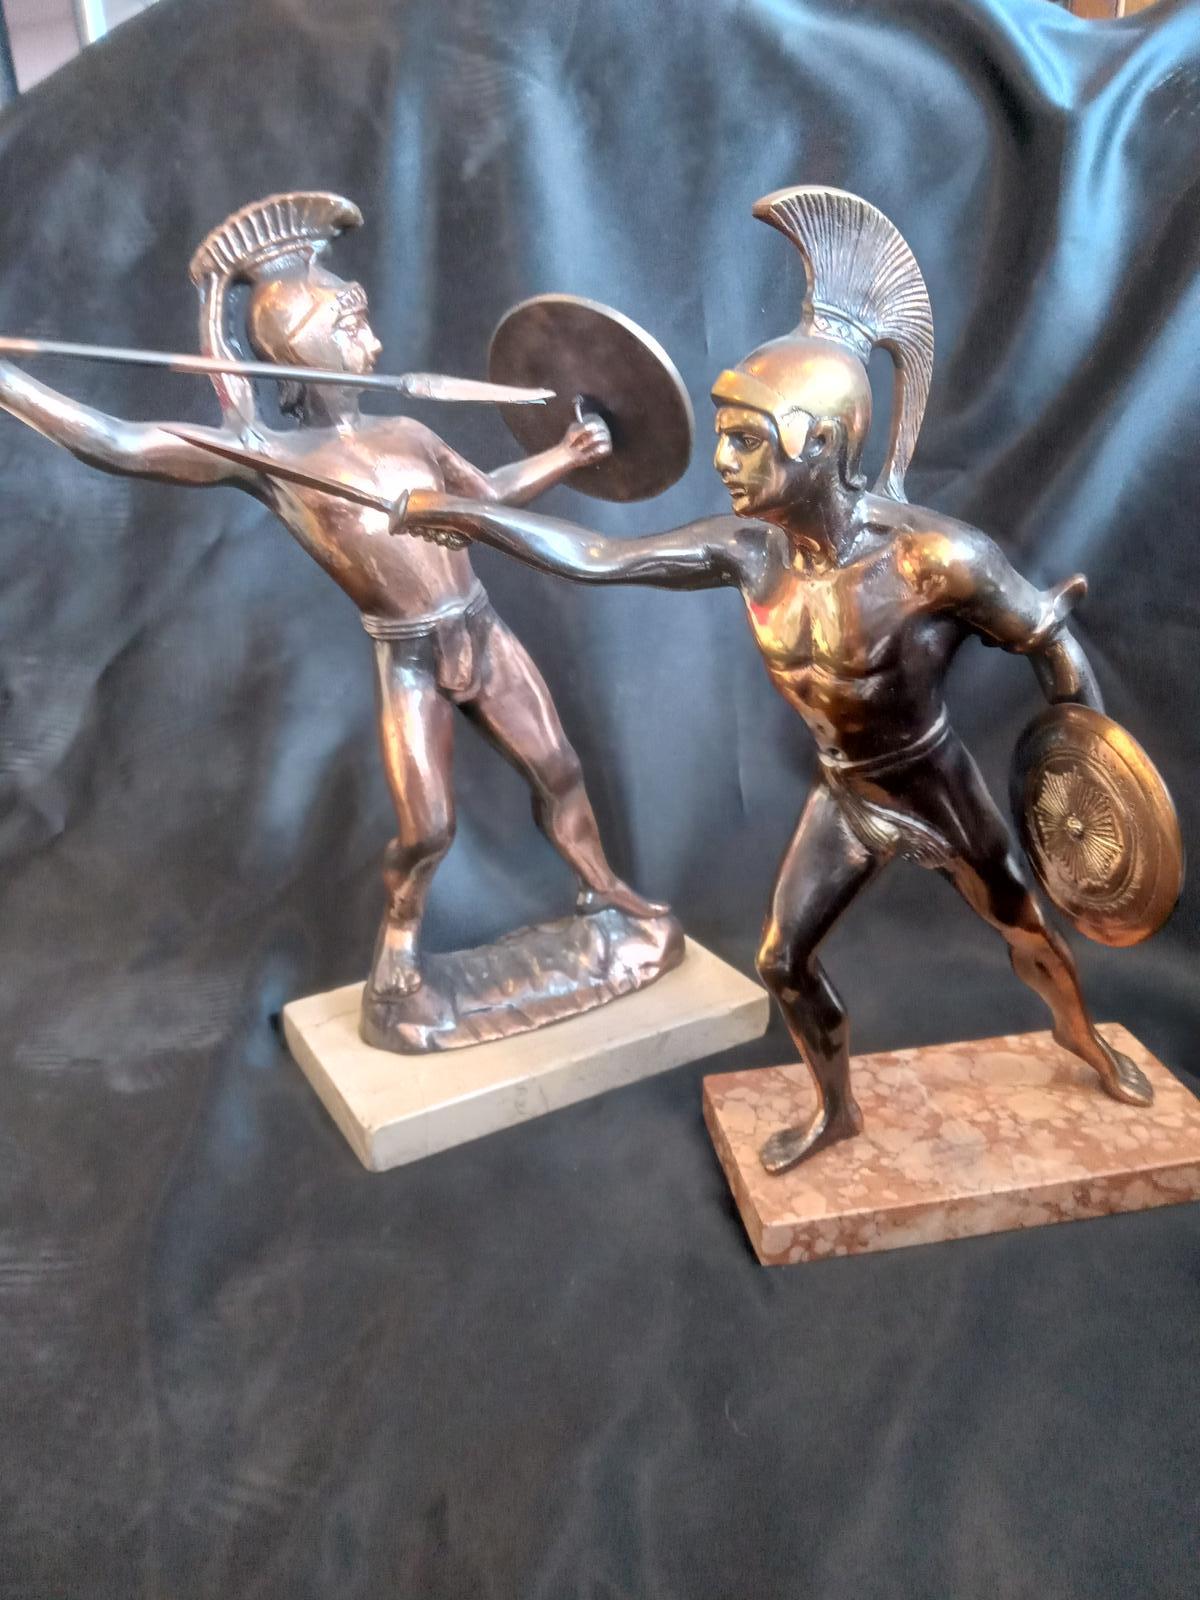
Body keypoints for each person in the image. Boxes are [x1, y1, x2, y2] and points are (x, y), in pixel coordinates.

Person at [398, 184, 1151, 1173]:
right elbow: (602, 558)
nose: (722, 461)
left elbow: (1050, 644)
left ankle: (1083, 1039)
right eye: (725, 435)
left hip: (934, 785)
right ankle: (836, 1112)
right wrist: (474, 516)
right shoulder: (751, 552)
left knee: (1028, 934)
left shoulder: (934, 561)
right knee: (782, 960)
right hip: (847, 792)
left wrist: (1084, 782)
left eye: (746, 440)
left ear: (821, 445)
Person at [0, 191, 661, 1010]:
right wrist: (11, 384)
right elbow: (116, 443)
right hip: (409, 653)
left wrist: (566, 455)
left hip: (479, 630)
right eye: (350, 330)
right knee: (428, 829)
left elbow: (485, 497)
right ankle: (401, 940)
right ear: (303, 349)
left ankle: (603, 890)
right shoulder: (275, 461)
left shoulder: (407, 435)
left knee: (558, 769)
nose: (371, 342)